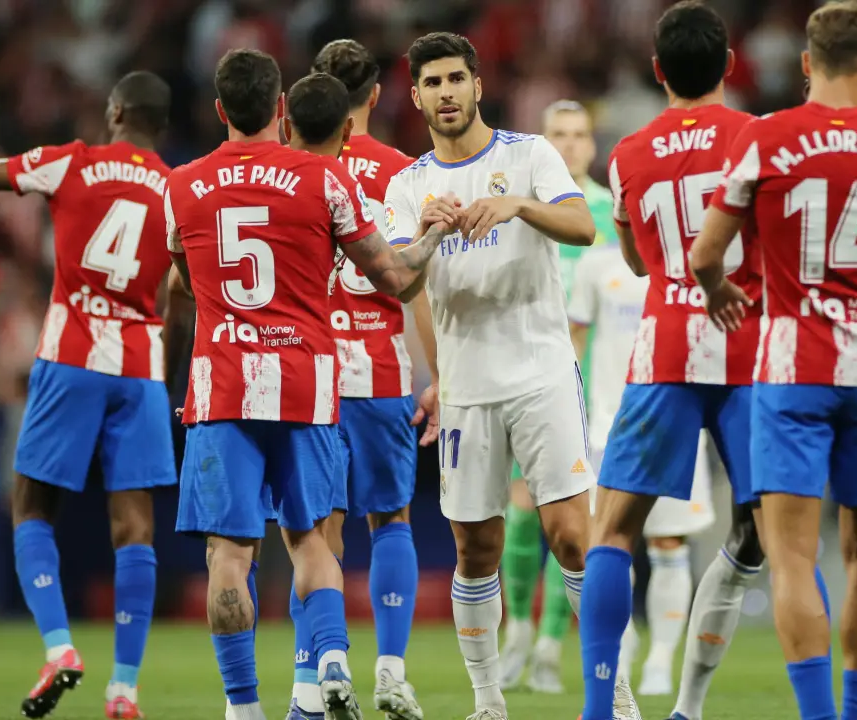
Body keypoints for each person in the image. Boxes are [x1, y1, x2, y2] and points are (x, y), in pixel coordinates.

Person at [688, 2, 857, 717]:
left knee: (792, 558)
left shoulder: (767, 137)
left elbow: (705, 254)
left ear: (808, 63)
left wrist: (719, 293)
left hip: (793, 370)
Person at [165, 54, 449, 720]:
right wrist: (433, 233)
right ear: (280, 108)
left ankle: (243, 709)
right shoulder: (324, 178)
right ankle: (331, 662)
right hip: (307, 382)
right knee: (312, 539)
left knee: (229, 554)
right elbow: (394, 276)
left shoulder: (181, 185)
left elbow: (186, 279)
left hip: (223, 385)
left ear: (219, 109)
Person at [387, 32, 634, 720]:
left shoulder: (529, 155)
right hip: (467, 388)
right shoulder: (408, 185)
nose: (445, 93)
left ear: (476, 85)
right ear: (417, 97)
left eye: (454, 79)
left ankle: (613, 694)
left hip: (542, 374)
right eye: (431, 83)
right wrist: (429, 236)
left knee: (574, 537)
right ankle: (489, 701)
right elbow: (400, 283)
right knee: (476, 548)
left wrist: (518, 205)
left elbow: (583, 226)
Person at [0, 60, 174, 720]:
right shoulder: (177, 187)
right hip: (141, 364)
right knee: (134, 526)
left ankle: (59, 647)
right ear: (160, 126)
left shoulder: (70, 161)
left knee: (31, 506)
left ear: (115, 114)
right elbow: (184, 286)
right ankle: (124, 690)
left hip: (71, 353)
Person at [575, 4, 759, 718]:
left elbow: (636, 262)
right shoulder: (757, 138)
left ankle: (599, 709)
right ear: (730, 64)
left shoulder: (628, 155)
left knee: (613, 532)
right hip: (748, 347)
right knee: (787, 538)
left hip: (666, 349)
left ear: (658, 71)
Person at [280, 38, 432, 720]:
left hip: (307, 371)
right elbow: (413, 286)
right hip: (380, 371)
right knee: (391, 518)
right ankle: (392, 672)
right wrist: (439, 375)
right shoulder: (401, 172)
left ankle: (309, 685)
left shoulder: (287, 173)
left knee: (315, 532)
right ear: (374, 96)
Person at [499, 99, 617, 695]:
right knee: (522, 510)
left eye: (578, 134)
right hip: (529, 374)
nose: (569, 144)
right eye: (558, 134)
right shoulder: (523, 207)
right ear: (542, 143)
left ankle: (549, 644)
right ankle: (518, 628)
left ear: (591, 144)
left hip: (593, 384)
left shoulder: (610, 214)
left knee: (572, 516)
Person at [567, 240, 716, 698]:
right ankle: (623, 653)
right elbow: (576, 336)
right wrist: (572, 406)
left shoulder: (693, 255)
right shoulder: (597, 263)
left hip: (680, 417)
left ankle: (661, 661)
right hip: (609, 425)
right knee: (610, 541)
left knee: (669, 542)